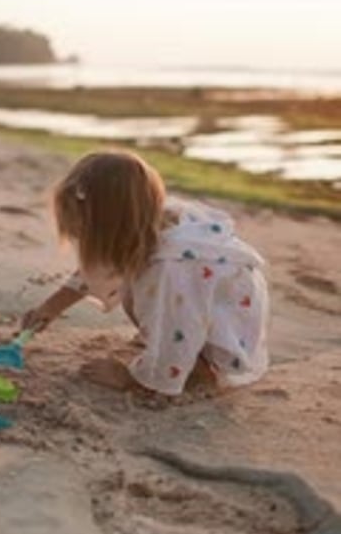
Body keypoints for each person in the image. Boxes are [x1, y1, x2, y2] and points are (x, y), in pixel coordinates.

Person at [21, 150, 269, 396]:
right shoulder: (143, 221)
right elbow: (103, 264)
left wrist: (131, 379)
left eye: (84, 230)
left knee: (151, 304)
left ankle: (200, 370)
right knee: (141, 291)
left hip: (220, 326)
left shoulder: (171, 269)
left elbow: (179, 324)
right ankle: (180, 354)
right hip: (201, 304)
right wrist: (51, 307)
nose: (79, 236)